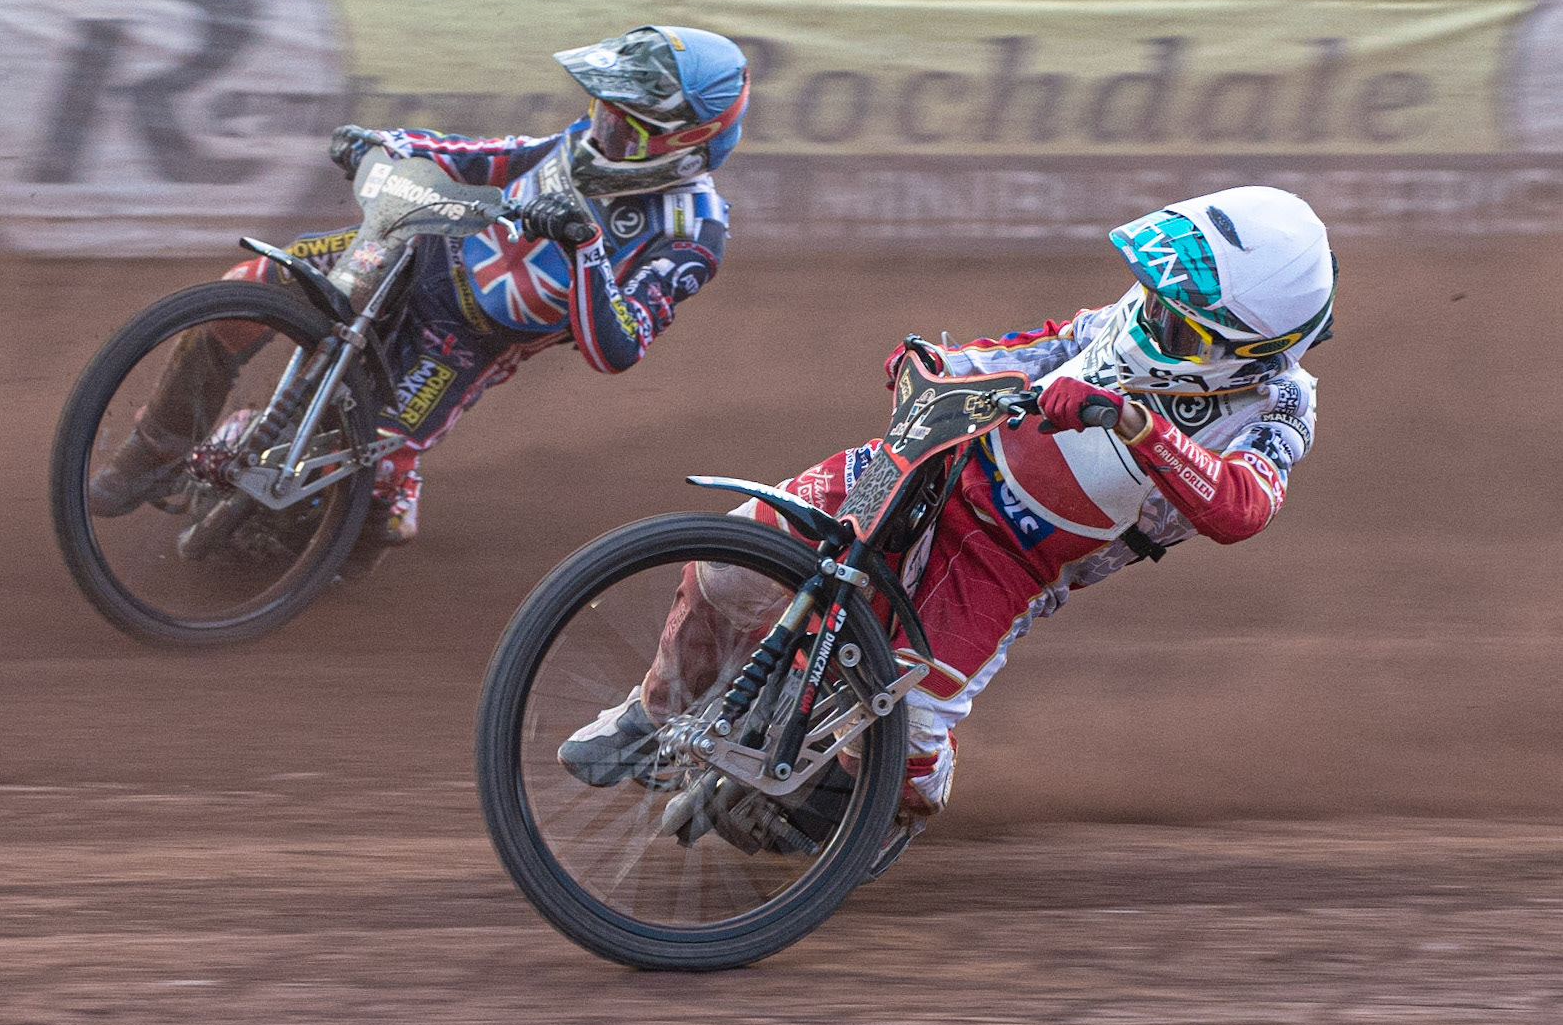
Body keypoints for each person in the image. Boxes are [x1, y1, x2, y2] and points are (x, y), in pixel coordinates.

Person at [559, 184, 1333, 868]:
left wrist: (1136, 423)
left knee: (914, 736)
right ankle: (649, 715)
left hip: (1013, 558)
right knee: (734, 554)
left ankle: (861, 814)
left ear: (1252, 351)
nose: (1154, 317)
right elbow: (1057, 343)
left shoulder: (1279, 407)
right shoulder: (1152, 310)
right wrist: (942, 361)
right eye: (1158, 297)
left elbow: (1242, 508)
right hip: (938, 456)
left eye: (1182, 322)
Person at [86, 25, 747, 571]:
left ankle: (365, 525)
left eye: (623, 122)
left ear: (681, 142)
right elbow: (490, 156)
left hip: (466, 341)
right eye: (602, 107)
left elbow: (619, 346)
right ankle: (156, 446)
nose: (600, 126)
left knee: (360, 476)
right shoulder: (582, 145)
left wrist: (585, 247)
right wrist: (388, 142)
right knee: (244, 292)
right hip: (414, 247)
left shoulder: (693, 231)